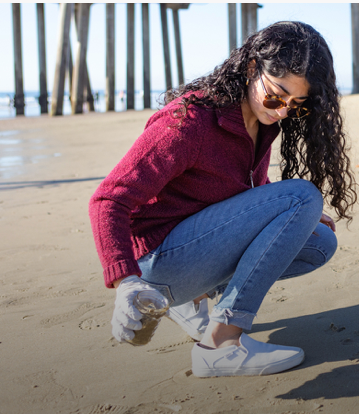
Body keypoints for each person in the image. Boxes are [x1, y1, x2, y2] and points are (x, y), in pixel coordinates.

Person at [89, 21, 357, 377]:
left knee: (319, 242)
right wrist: (126, 281)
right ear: (251, 68)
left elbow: (235, 185)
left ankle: (191, 300)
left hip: (191, 253)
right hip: (156, 263)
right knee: (302, 196)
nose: (281, 111)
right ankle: (220, 344)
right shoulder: (188, 122)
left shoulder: (262, 122)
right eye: (276, 96)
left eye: (296, 105)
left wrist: (294, 215)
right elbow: (108, 200)